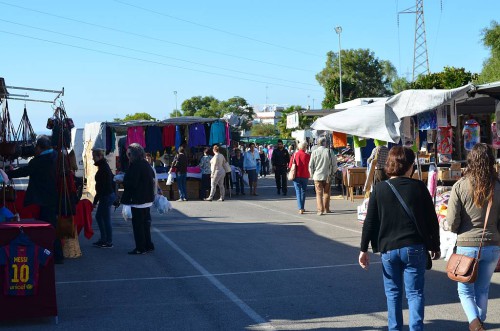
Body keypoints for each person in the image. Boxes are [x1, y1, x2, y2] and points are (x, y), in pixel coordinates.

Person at [359, 146, 440, 331]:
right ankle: (415, 328)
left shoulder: (379, 189)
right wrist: (435, 245)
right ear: (410, 166)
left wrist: (363, 249)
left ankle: (394, 328)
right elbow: (431, 219)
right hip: (414, 247)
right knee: (415, 293)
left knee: (393, 294)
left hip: (388, 249)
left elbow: (369, 222)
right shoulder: (418, 187)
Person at [447, 143, 500, 331]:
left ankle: (475, 323)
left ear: (471, 161)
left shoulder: (460, 186)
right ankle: (479, 321)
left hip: (467, 245)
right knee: (483, 288)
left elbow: (452, 222)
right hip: (493, 245)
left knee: (464, 288)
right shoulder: (498, 186)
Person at [8, 135, 64, 264]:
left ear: (39, 147)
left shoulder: (39, 161)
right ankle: (55, 253)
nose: (35, 150)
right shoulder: (56, 156)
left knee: (47, 227)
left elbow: (24, 171)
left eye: (36, 148)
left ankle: (54, 255)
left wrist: (7, 173)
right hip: (55, 196)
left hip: (44, 199)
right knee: (51, 226)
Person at [120, 143, 156, 255]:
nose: (127, 156)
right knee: (145, 224)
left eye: (128, 154)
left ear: (132, 154)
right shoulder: (145, 164)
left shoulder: (135, 165)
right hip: (147, 199)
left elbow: (133, 183)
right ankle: (148, 245)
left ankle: (140, 247)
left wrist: (122, 181)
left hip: (139, 199)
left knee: (138, 225)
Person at [92, 149, 116, 248]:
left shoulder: (103, 168)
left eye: (94, 156)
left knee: (105, 218)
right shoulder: (103, 166)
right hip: (106, 195)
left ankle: (108, 241)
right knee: (101, 217)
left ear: (100, 156)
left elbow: (101, 187)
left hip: (106, 195)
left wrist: (95, 201)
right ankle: (104, 239)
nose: (93, 158)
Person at [308, 137, 337, 215]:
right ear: (325, 143)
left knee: (318, 194)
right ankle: (327, 208)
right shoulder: (330, 151)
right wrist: (333, 172)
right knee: (327, 192)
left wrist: (312, 174)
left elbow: (311, 165)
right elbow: (334, 164)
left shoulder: (314, 152)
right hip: (327, 175)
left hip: (317, 176)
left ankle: (320, 210)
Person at [290, 141, 310, 214]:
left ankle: (300, 208)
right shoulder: (307, 155)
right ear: (305, 147)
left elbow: (290, 165)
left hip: (296, 175)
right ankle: (302, 207)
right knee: (303, 191)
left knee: (298, 191)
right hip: (305, 175)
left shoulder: (295, 155)